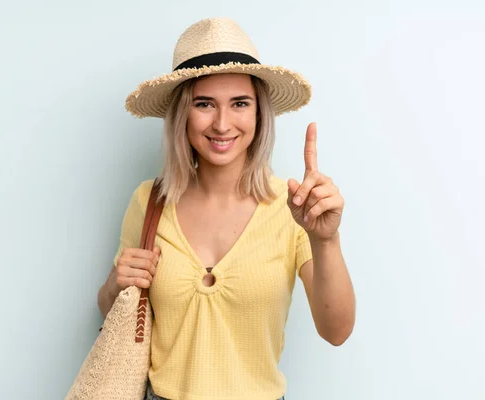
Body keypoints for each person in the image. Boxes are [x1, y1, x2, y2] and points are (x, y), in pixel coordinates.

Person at [97, 17, 356, 400]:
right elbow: (111, 311)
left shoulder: (296, 205)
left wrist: (327, 239)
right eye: (204, 104)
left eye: (239, 103)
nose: (222, 124)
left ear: (258, 113)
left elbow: (336, 331)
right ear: (183, 114)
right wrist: (117, 283)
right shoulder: (148, 201)